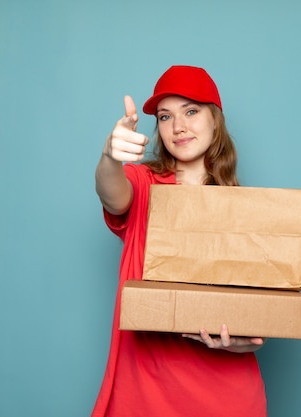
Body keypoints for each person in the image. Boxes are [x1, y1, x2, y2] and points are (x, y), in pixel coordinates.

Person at [93, 65, 267, 417]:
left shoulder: (244, 211)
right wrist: (110, 157)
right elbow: (113, 195)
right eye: (165, 116)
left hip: (228, 396)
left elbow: (256, 329)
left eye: (191, 111)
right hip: (145, 394)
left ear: (215, 120)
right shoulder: (143, 185)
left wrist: (237, 344)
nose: (178, 126)